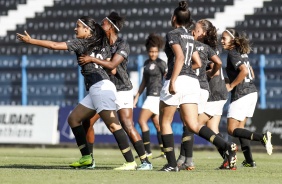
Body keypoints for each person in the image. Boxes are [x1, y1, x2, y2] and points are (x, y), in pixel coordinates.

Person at [16, 16, 137, 170]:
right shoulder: (102, 42)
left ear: (87, 29)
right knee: (73, 119)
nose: (75, 28)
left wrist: (31, 41)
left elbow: (54, 45)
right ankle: (87, 158)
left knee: (113, 125)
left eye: (78, 26)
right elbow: (112, 68)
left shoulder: (81, 43)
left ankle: (130, 161)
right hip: (98, 88)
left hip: (100, 88)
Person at [159, 1, 237, 172]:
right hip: (192, 82)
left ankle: (172, 164)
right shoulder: (190, 37)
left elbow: (179, 57)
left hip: (178, 79)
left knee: (165, 121)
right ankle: (226, 145)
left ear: (174, 18)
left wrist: (172, 80)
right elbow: (198, 62)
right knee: (193, 124)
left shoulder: (174, 34)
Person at [78, 12, 152, 170]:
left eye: (103, 23)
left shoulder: (122, 44)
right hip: (103, 88)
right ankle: (89, 160)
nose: (101, 24)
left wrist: (93, 59)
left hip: (122, 88)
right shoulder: (101, 41)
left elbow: (112, 66)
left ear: (111, 26)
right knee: (87, 122)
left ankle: (145, 161)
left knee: (127, 124)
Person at [221, 28, 273, 167]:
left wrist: (231, 85)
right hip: (251, 92)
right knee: (241, 129)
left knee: (231, 130)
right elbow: (251, 73)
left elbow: (244, 71)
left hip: (242, 93)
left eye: (224, 38)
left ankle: (262, 137)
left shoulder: (232, 53)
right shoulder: (242, 53)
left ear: (232, 40)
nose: (221, 41)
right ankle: (249, 160)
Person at [176, 19, 223, 170]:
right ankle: (183, 159)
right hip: (202, 88)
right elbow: (218, 64)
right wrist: (211, 73)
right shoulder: (207, 48)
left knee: (191, 125)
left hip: (192, 86)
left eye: (196, 27)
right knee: (190, 125)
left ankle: (225, 146)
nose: (193, 28)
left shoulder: (188, 44)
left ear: (202, 32)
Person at [133, 33, 167, 158]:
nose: (153, 54)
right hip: (150, 96)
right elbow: (144, 82)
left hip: (156, 96)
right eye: (151, 52)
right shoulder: (146, 63)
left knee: (141, 120)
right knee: (157, 124)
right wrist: (137, 96)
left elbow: (167, 77)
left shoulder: (161, 63)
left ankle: (147, 150)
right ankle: (164, 152)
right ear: (148, 51)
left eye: (155, 52)